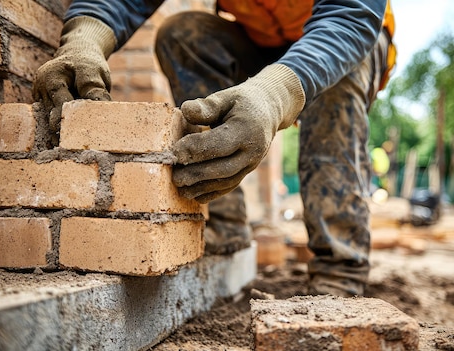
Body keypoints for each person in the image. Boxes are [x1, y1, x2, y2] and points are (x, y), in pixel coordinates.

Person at [34, 0, 396, 297]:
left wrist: (272, 94)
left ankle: (339, 272)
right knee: (183, 35)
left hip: (345, 36)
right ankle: (226, 232)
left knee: (340, 79)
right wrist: (84, 37)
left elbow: (350, 16)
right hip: (260, 40)